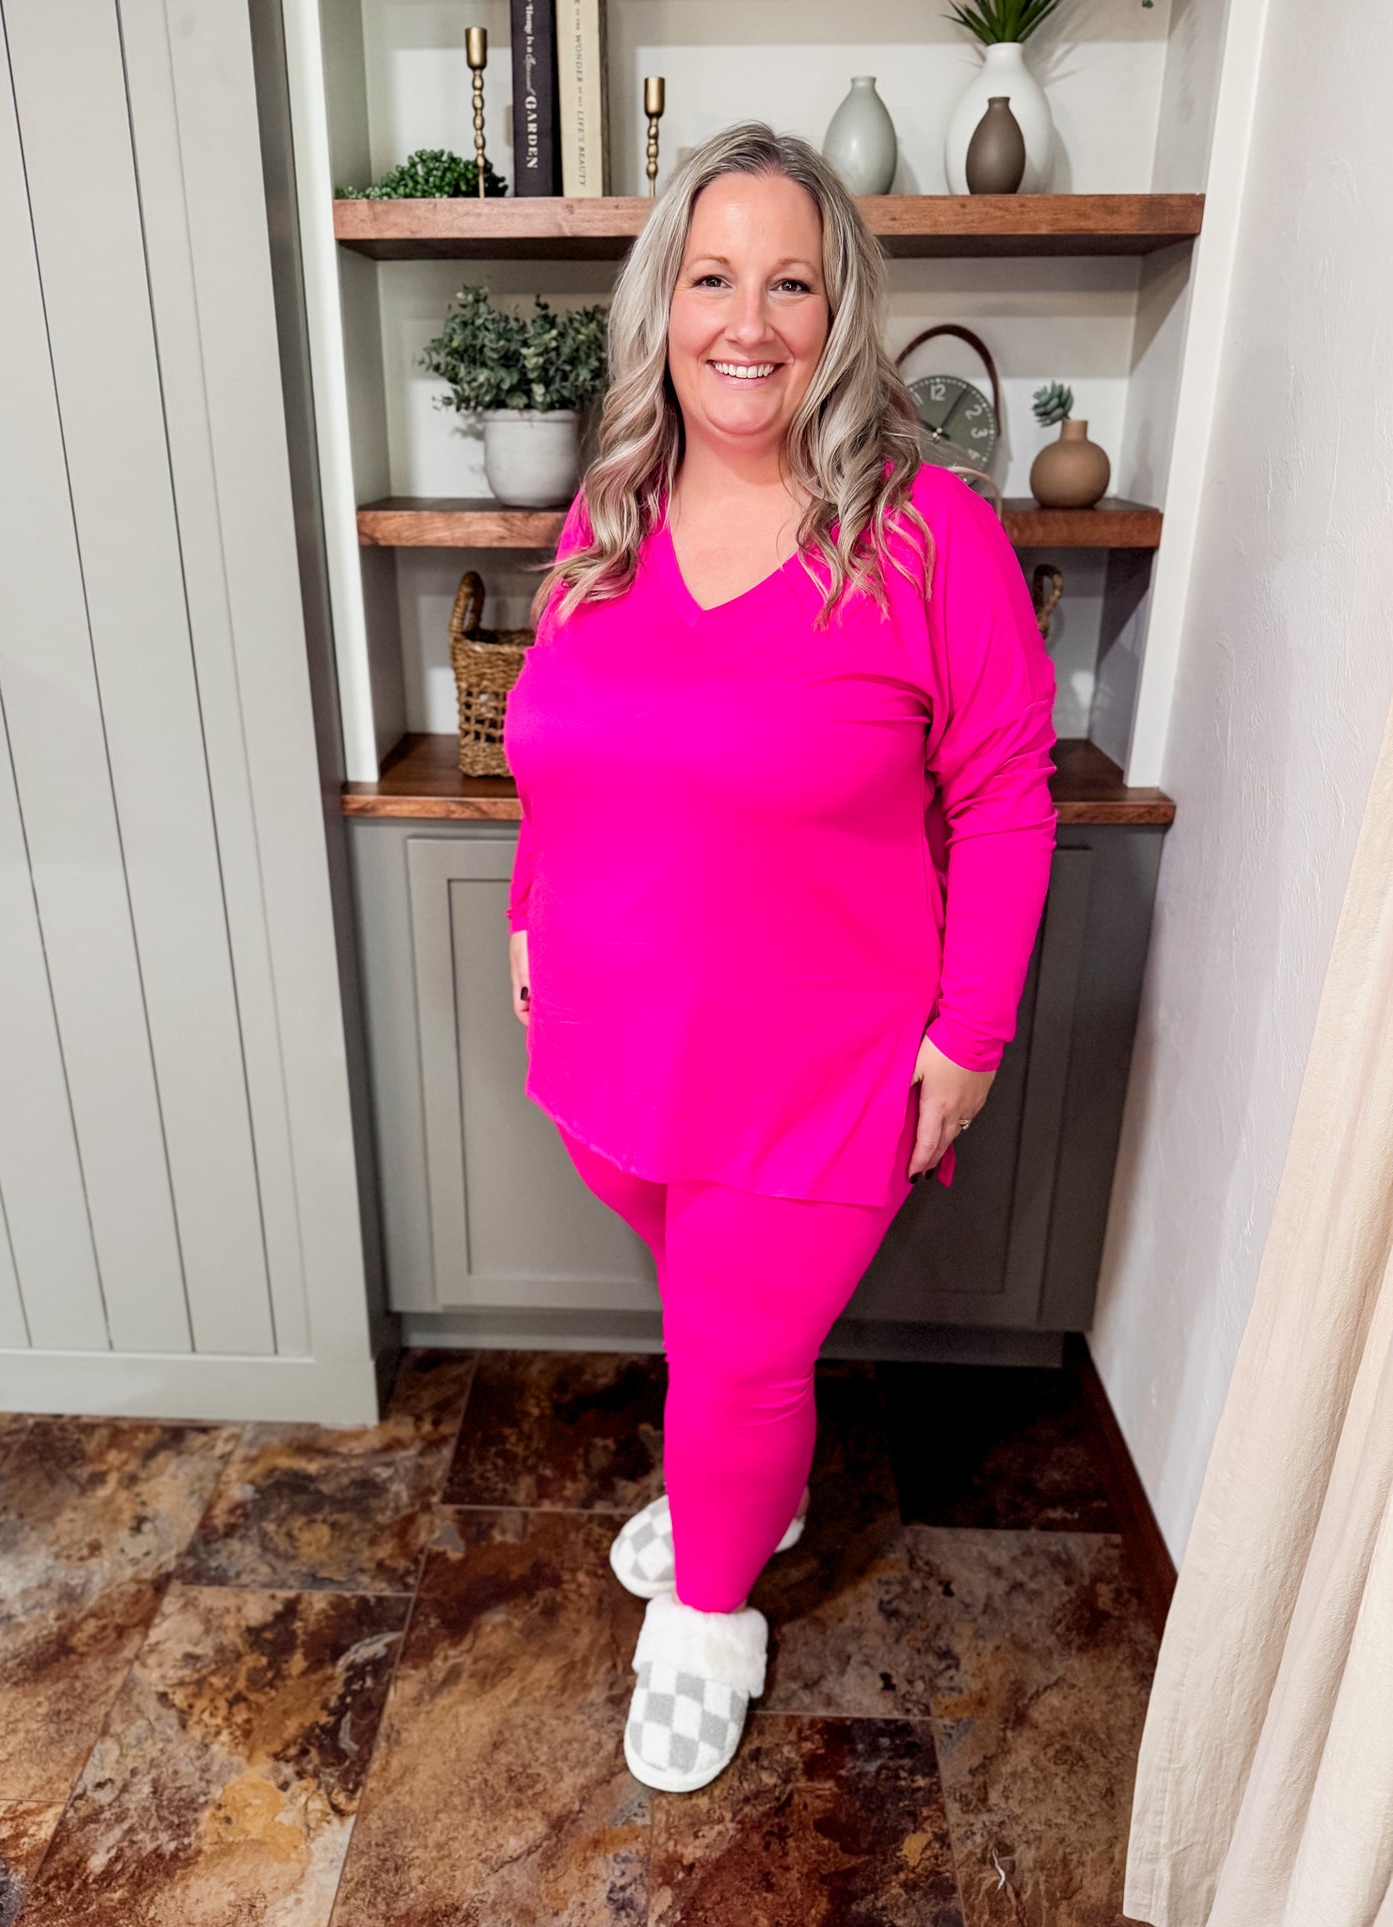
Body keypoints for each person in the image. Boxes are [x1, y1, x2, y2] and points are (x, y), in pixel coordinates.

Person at [502, 122, 1057, 1794]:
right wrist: (528, 911)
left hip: (821, 1063)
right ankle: (743, 1477)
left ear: (839, 311)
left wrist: (970, 1036)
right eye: (711, 278)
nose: (747, 323)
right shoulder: (609, 514)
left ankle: (711, 1615)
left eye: (790, 284)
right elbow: (556, 750)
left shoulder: (927, 533)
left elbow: (1004, 790)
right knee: (714, 1327)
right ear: (661, 305)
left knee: (741, 1354)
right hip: (608, 1033)